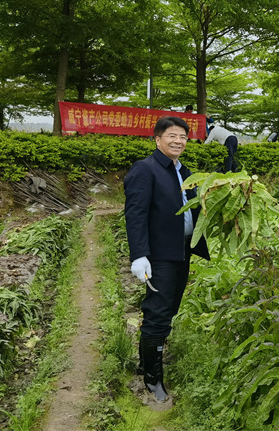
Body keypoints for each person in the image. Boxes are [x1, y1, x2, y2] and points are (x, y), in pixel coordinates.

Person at [124, 116, 210, 402]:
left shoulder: (182, 171)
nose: (178, 141)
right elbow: (135, 215)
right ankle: (152, 380)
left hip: (181, 250)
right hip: (159, 254)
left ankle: (148, 360)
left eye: (183, 137)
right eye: (172, 135)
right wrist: (139, 255)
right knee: (158, 312)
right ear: (157, 138)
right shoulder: (145, 170)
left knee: (169, 308)